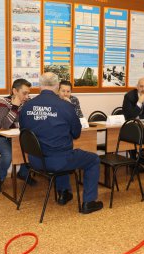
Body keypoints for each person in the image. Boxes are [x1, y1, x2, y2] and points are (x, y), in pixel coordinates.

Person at [19, 72, 103, 214]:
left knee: (60, 152)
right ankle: (89, 202)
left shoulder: (27, 106)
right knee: (93, 159)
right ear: (57, 86)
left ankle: (64, 193)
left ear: (39, 86)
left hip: (35, 160)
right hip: (58, 161)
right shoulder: (65, 106)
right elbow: (76, 133)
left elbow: (23, 131)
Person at [0, 78, 36, 193]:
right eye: (24, 93)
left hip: (18, 136)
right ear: (15, 91)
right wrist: (14, 107)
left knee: (33, 149)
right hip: (0, 137)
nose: (27, 96)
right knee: (8, 155)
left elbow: (32, 121)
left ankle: (23, 174)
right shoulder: (3, 102)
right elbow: (4, 125)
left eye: (28, 93)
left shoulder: (28, 102)